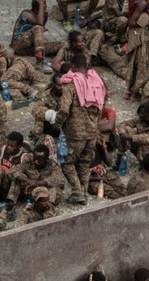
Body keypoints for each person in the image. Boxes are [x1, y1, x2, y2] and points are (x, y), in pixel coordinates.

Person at [49, 53, 106, 204]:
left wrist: (57, 126)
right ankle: (84, 194)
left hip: (75, 133)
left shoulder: (71, 85)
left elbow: (64, 110)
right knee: (84, 163)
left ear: (73, 66)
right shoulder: (97, 82)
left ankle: (76, 191)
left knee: (66, 162)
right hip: (92, 132)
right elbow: (101, 107)